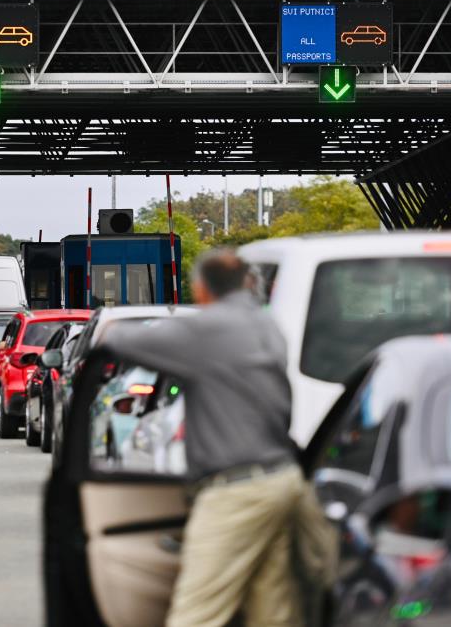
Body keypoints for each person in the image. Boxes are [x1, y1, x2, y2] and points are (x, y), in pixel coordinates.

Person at [106, 249, 325, 627]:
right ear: (247, 283)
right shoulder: (266, 325)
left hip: (235, 491)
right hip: (283, 480)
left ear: (202, 290)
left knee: (197, 613)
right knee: (272, 612)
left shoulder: (207, 330)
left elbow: (121, 340)